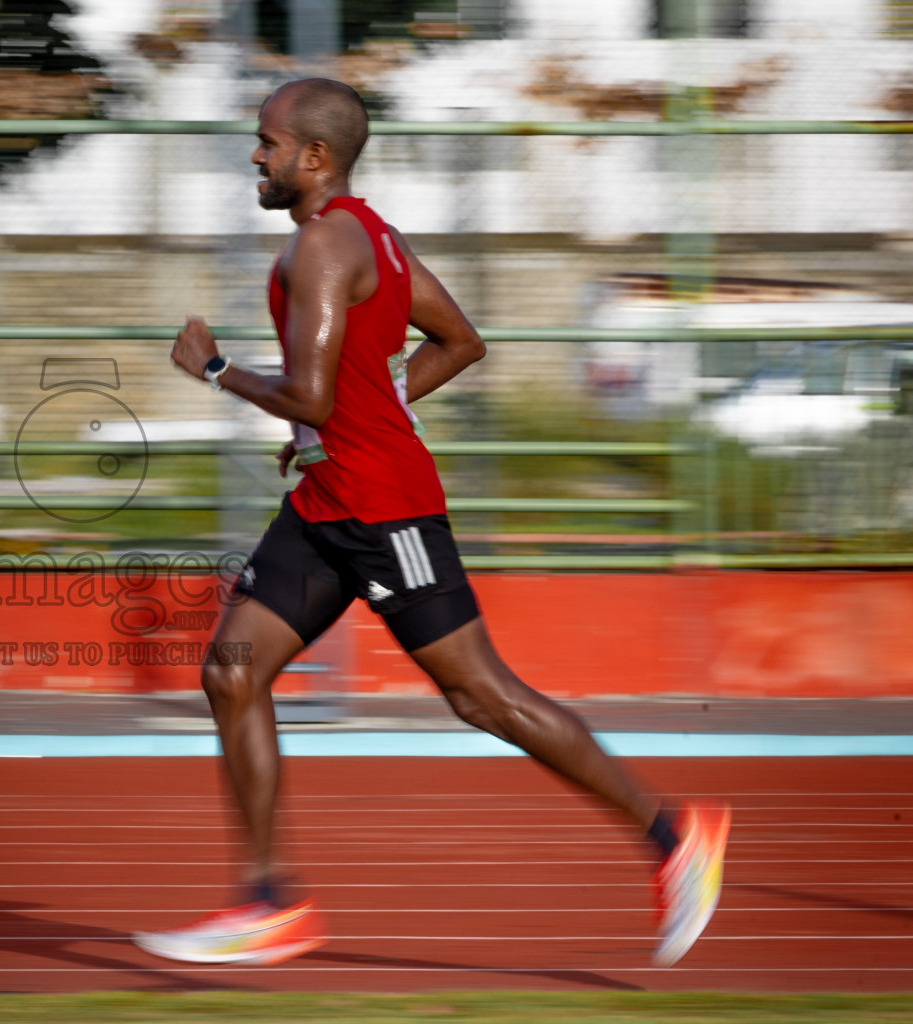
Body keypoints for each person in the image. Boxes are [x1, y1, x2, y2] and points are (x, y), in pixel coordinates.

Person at [133, 78, 729, 970]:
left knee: (480, 695)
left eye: (265, 142)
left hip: (383, 510)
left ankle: (674, 836)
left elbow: (311, 392)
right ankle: (269, 903)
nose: (253, 155)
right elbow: (458, 343)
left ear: (314, 156)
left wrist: (215, 369)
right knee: (230, 669)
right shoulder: (373, 235)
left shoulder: (324, 249)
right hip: (325, 502)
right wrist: (336, 425)